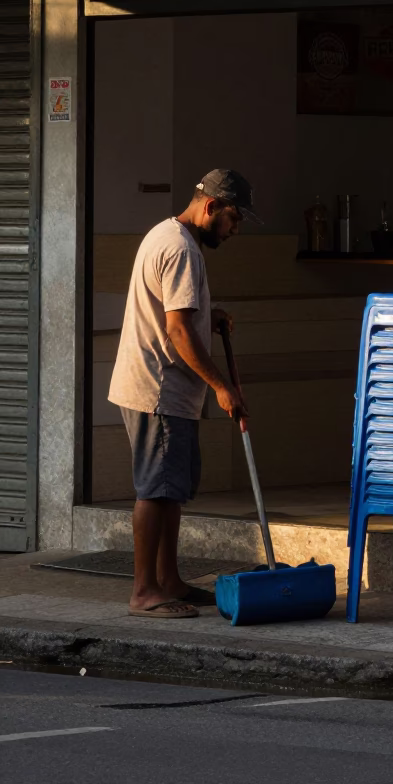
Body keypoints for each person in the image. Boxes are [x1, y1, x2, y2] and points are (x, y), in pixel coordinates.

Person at [108, 169, 260, 619]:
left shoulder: (167, 235)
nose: (235, 231)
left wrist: (207, 317)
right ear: (211, 206)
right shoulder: (180, 249)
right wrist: (222, 387)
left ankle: (168, 581)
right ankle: (144, 592)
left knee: (171, 489)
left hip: (160, 386)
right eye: (234, 220)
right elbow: (175, 330)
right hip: (159, 388)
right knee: (155, 491)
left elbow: (175, 312)